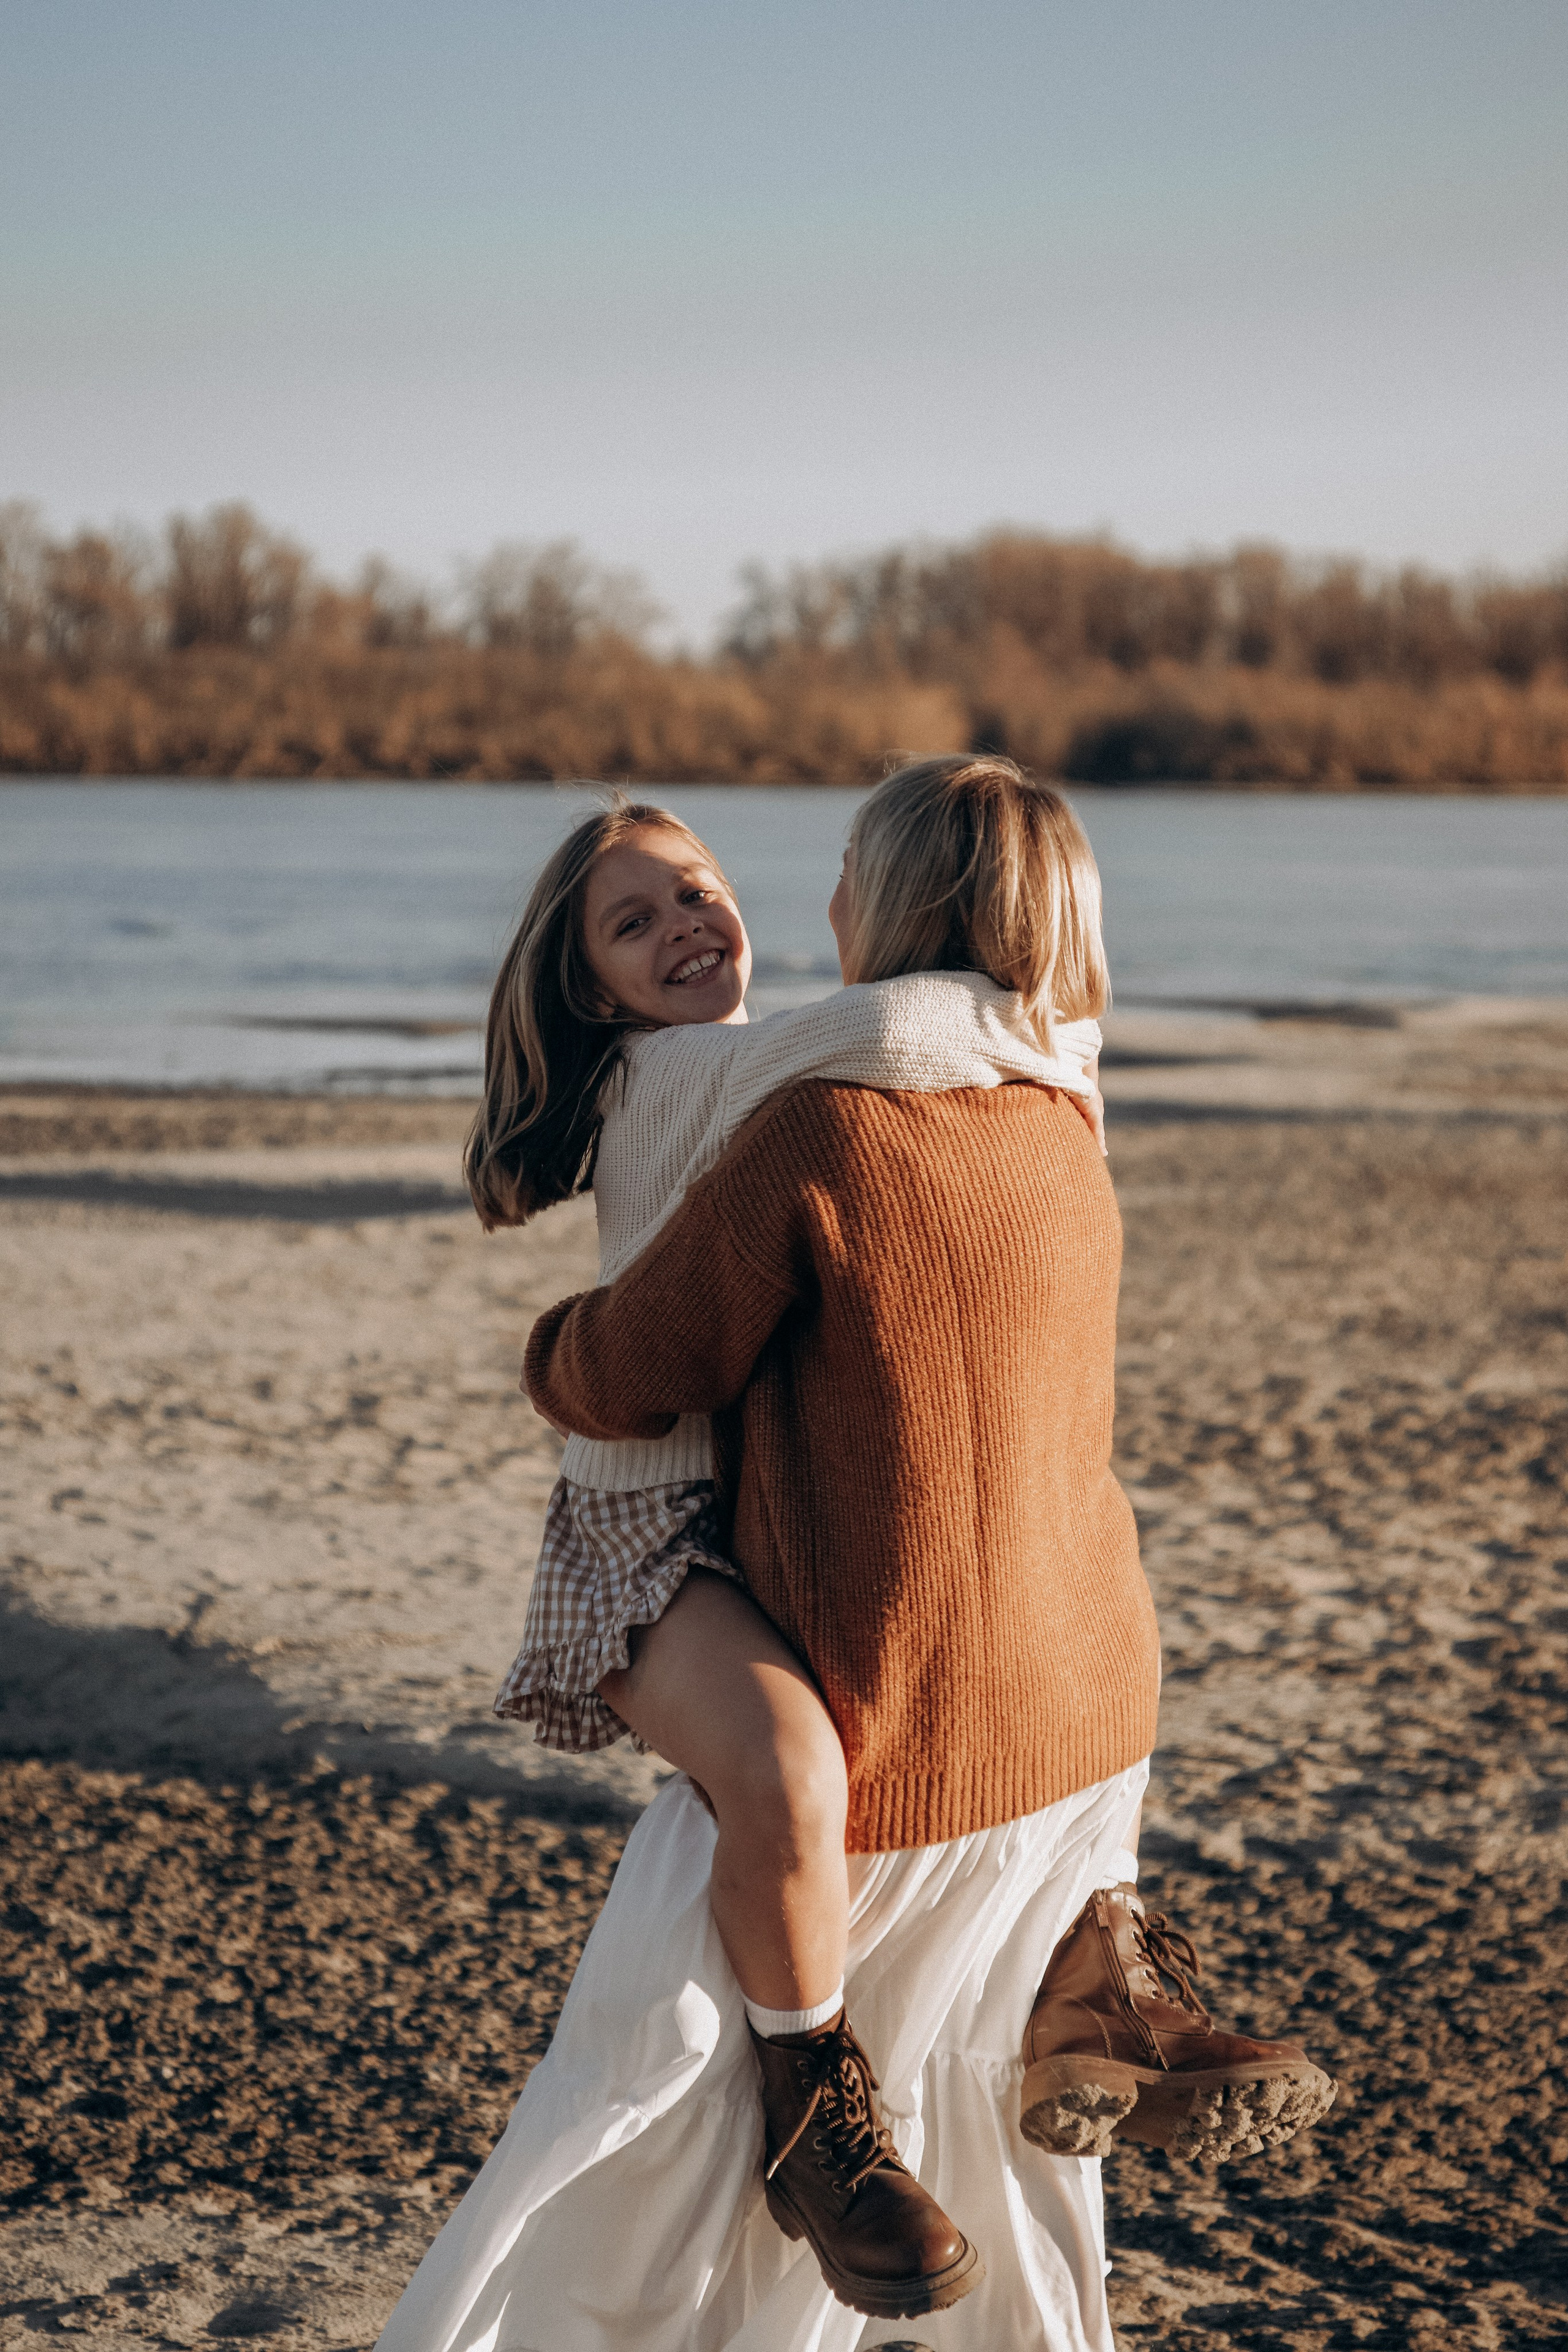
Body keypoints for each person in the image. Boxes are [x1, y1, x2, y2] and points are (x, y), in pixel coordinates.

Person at [377, 758, 1332, 2352]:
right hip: (724, 1563)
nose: (697, 918)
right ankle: (1057, 1986)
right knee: (833, 1757)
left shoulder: (826, 1108)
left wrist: (555, 1355)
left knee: (835, 1766)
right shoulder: (1038, 1090)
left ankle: (959, 2030)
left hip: (796, 1563)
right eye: (635, 918)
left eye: (704, 889)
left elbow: (634, 1355)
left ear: (876, 907)